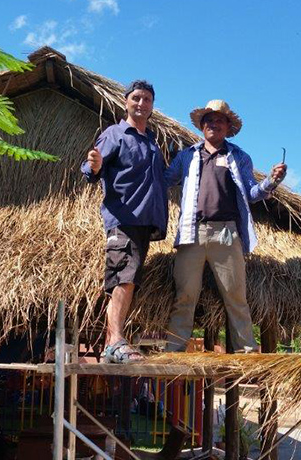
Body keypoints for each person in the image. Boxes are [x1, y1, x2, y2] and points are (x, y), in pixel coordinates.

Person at [165, 99, 287, 352]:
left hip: (227, 233)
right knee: (185, 296)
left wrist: (272, 183)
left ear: (228, 127)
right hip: (192, 232)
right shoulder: (186, 156)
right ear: (202, 125)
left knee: (235, 296)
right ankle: (174, 349)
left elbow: (251, 193)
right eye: (209, 119)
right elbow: (165, 180)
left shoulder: (239, 156)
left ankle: (247, 350)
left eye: (220, 120)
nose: (214, 124)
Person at [81, 80, 167, 363]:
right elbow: (92, 168)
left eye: (147, 100)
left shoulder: (152, 142)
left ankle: (110, 345)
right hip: (122, 219)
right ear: (126, 101)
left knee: (129, 280)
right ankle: (116, 340)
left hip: (143, 222)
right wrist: (94, 166)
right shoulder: (115, 134)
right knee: (123, 277)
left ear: (152, 107)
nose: (141, 104)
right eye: (136, 98)